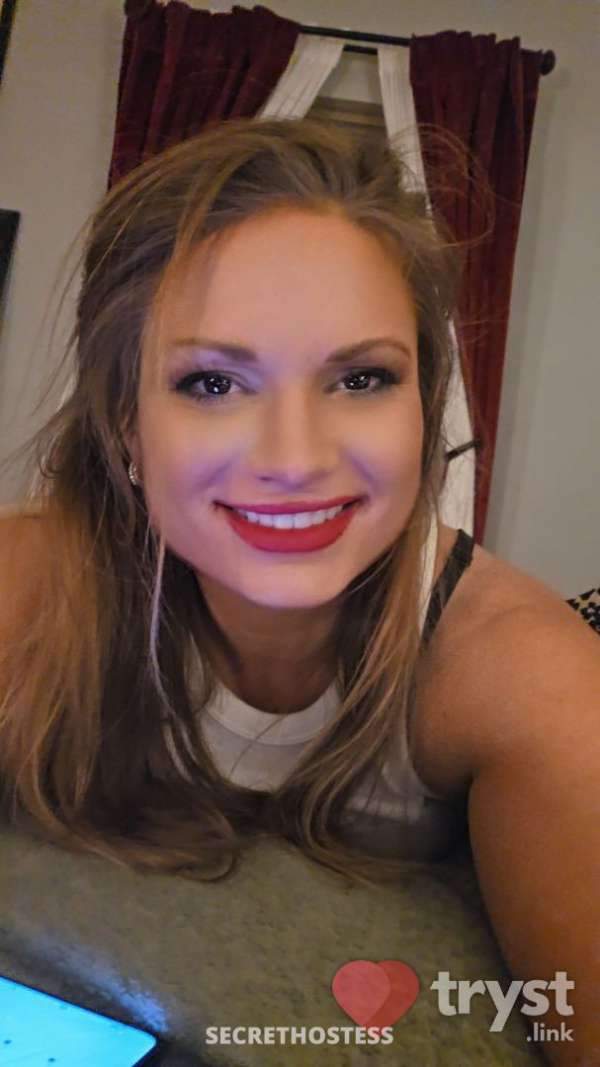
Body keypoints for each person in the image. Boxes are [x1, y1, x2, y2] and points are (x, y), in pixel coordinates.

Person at [0, 117, 598, 1062]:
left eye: (360, 378)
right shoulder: (31, 592)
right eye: (212, 383)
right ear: (124, 426)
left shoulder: (529, 676)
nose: (295, 458)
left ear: (424, 408)